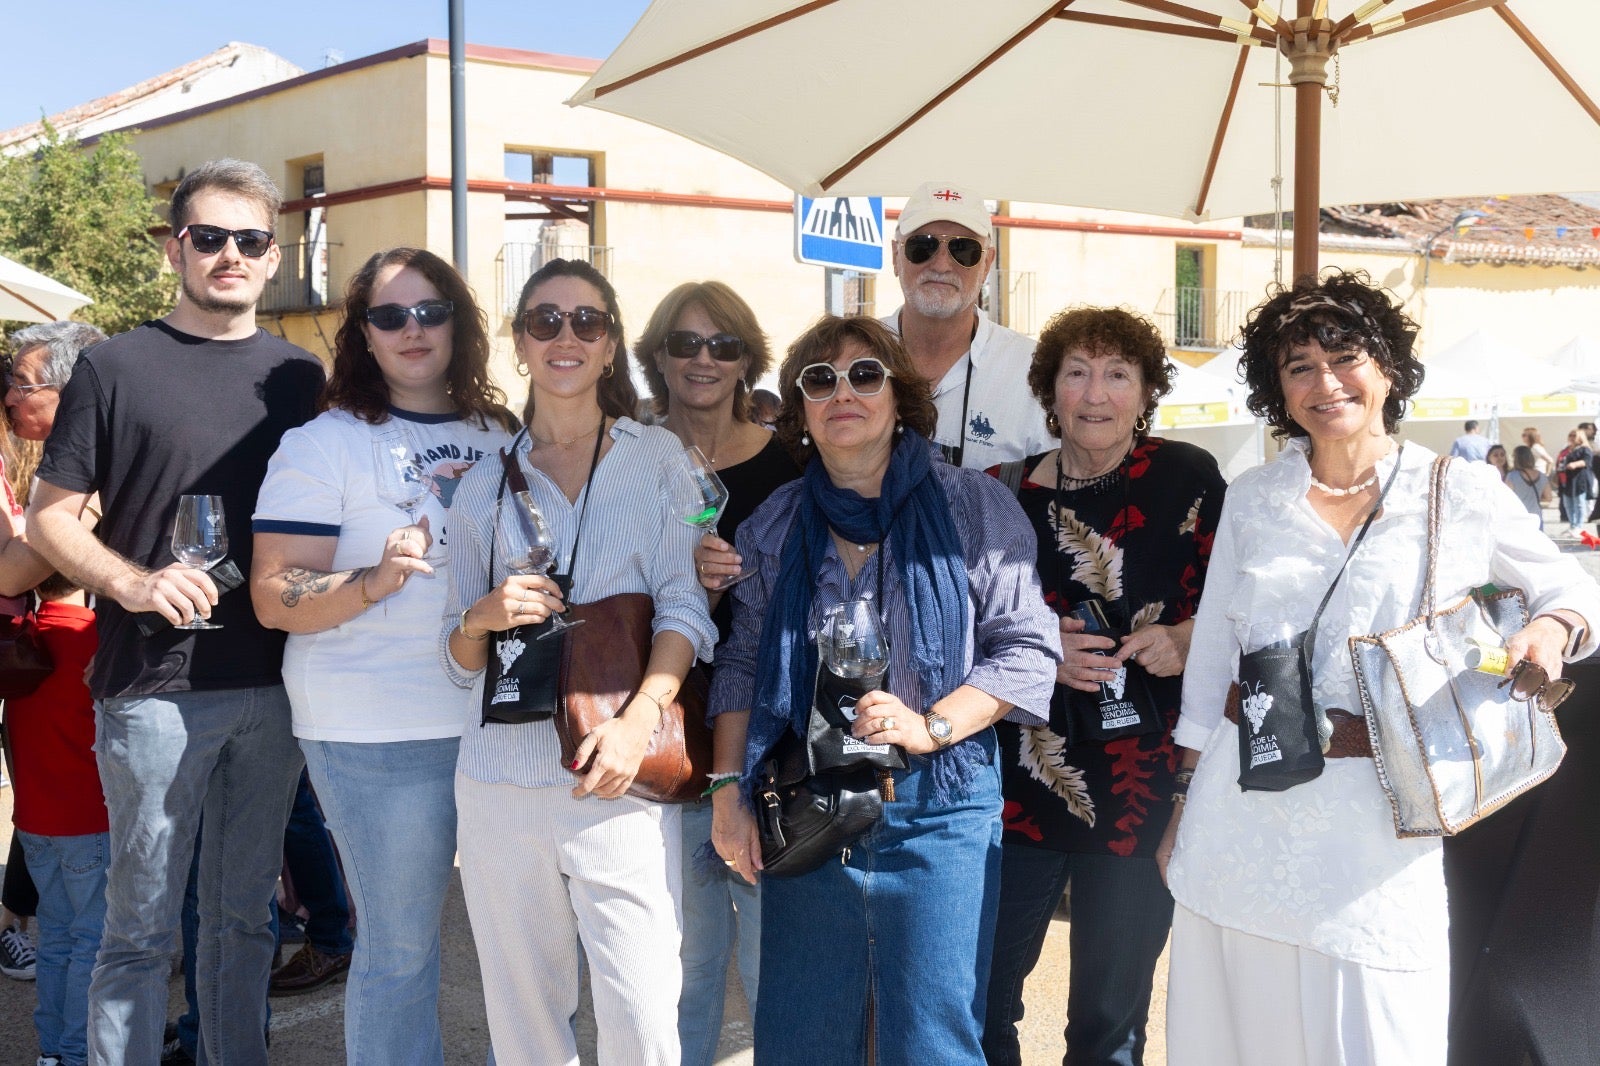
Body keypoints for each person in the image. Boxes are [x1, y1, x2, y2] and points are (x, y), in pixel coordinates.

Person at [1161, 270, 1600, 1065]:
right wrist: (1182, 801)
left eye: (1345, 357)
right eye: (1299, 366)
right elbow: (1215, 664)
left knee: (1383, 1030)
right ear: (1278, 390)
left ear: (1389, 369)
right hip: (1243, 808)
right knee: (1243, 1033)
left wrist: (1549, 627)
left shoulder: (1459, 491)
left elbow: (1576, 590)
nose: (1325, 382)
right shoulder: (1254, 496)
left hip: (1380, 823)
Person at [26, 159, 325, 1066]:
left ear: (272, 257)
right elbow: (48, 519)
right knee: (141, 929)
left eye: (250, 239)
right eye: (210, 237)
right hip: (153, 689)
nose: (230, 254)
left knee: (244, 922)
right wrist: (132, 583)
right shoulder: (114, 366)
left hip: (276, 686)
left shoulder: (300, 377)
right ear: (175, 248)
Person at [704, 315, 1059, 1064]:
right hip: (808, 805)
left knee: (933, 1043)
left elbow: (1026, 650)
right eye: (820, 380)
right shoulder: (774, 524)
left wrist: (930, 725)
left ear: (901, 398)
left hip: (940, 809)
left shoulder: (973, 507)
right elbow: (740, 664)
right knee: (801, 1040)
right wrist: (728, 792)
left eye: (865, 375)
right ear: (801, 410)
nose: (844, 394)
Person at [440, 258, 714, 1066]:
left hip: (617, 771)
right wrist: (481, 616)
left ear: (611, 345)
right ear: (520, 342)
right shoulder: (479, 487)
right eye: (546, 321)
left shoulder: (656, 456)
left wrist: (638, 723)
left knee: (643, 1019)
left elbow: (684, 608)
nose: (567, 336)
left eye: (587, 321)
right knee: (524, 1027)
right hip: (498, 783)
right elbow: (456, 661)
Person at [250, 246, 516, 1059]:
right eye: (390, 315)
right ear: (363, 333)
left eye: (431, 311)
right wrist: (372, 581)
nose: (413, 329)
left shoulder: (502, 433)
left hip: (504, 722)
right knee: (401, 952)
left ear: (460, 324)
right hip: (378, 730)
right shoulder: (323, 443)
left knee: (521, 946)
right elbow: (272, 594)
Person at [981, 308, 1226, 1066]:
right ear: (1048, 391)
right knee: (979, 1001)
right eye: (1077, 373)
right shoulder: (996, 493)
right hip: (1015, 786)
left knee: (1109, 1024)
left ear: (1145, 391)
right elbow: (950, 627)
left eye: (1118, 374)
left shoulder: (1189, 478)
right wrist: (1037, 649)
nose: (1096, 394)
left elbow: (1243, 606)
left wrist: (1185, 639)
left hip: (1141, 788)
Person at [633, 280, 799, 1066]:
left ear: (745, 361)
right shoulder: (628, 457)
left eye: (723, 345)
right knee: (681, 957)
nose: (704, 359)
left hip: (766, 735)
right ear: (658, 356)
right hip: (661, 727)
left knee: (774, 958)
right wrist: (681, 582)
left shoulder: (789, 466)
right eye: (685, 342)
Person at [2, 320, 108, 1066]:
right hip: (90, 824)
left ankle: (55, 1051)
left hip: (39, 823)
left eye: (23, 382)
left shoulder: (33, 648)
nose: (11, 395)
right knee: (93, 940)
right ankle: (78, 1051)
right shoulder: (89, 646)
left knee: (64, 937)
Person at [879, 181, 1050, 468]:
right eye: (923, 246)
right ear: (896, 256)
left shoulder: (1034, 371)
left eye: (964, 249)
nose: (941, 265)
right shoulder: (852, 357)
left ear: (987, 264)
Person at [1556, 427, 1594, 534]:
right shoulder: (1566, 450)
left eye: (1574, 435)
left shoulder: (1584, 449)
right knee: (1568, 504)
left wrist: (1575, 464)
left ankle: (1579, 526)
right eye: (1570, 435)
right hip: (1566, 480)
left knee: (1579, 503)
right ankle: (1572, 525)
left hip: (1579, 480)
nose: (1572, 437)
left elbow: (1586, 461)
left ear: (1580, 437)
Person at [1505, 445, 1551, 529]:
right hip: (1536, 517)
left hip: (1518, 517)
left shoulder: (1512, 476)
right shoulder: (1542, 476)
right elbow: (1548, 498)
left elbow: (1506, 498)